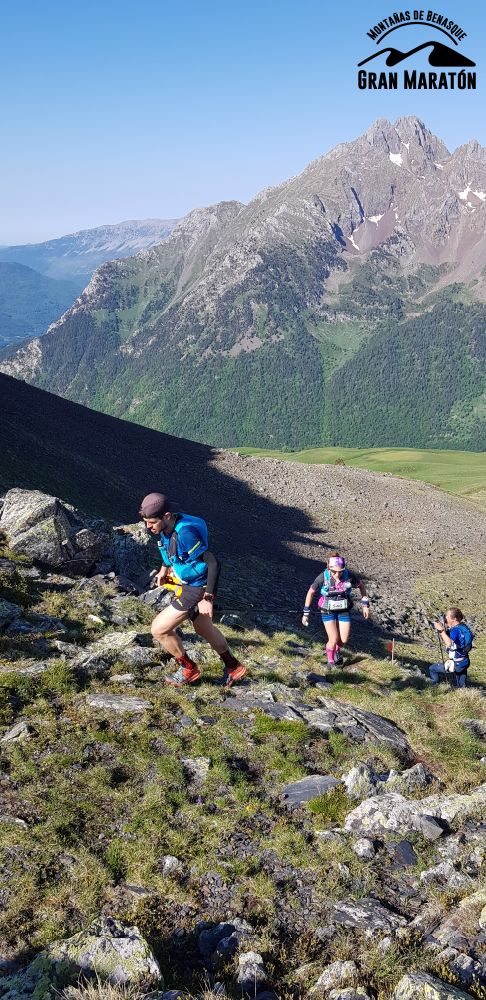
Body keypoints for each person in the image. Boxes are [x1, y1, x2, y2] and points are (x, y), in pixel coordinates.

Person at [139, 493, 246, 687]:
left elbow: (213, 563)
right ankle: (233, 667)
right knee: (204, 629)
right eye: (146, 522)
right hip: (191, 584)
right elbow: (169, 549)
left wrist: (207, 597)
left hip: (197, 588)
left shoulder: (186, 533)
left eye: (152, 522)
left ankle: (188, 669)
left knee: (159, 629)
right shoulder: (166, 527)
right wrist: (164, 569)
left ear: (166, 515)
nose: (148, 527)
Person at [301, 553, 369, 665]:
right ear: (328, 567)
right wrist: (306, 613)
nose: (337, 574)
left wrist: (365, 606)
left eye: (340, 571)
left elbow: (361, 586)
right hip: (327, 610)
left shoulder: (348, 576)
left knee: (343, 640)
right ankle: (330, 662)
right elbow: (311, 592)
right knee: (333, 639)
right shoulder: (322, 577)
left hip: (343, 610)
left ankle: (337, 651)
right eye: (334, 572)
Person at [429, 608, 474, 688]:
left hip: (456, 663)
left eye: (447, 616)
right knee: (461, 684)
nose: (445, 617)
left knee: (432, 669)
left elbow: (449, 643)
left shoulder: (455, 631)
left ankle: (434, 686)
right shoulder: (463, 626)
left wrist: (441, 630)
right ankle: (462, 692)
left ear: (454, 619)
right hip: (465, 660)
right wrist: (445, 626)